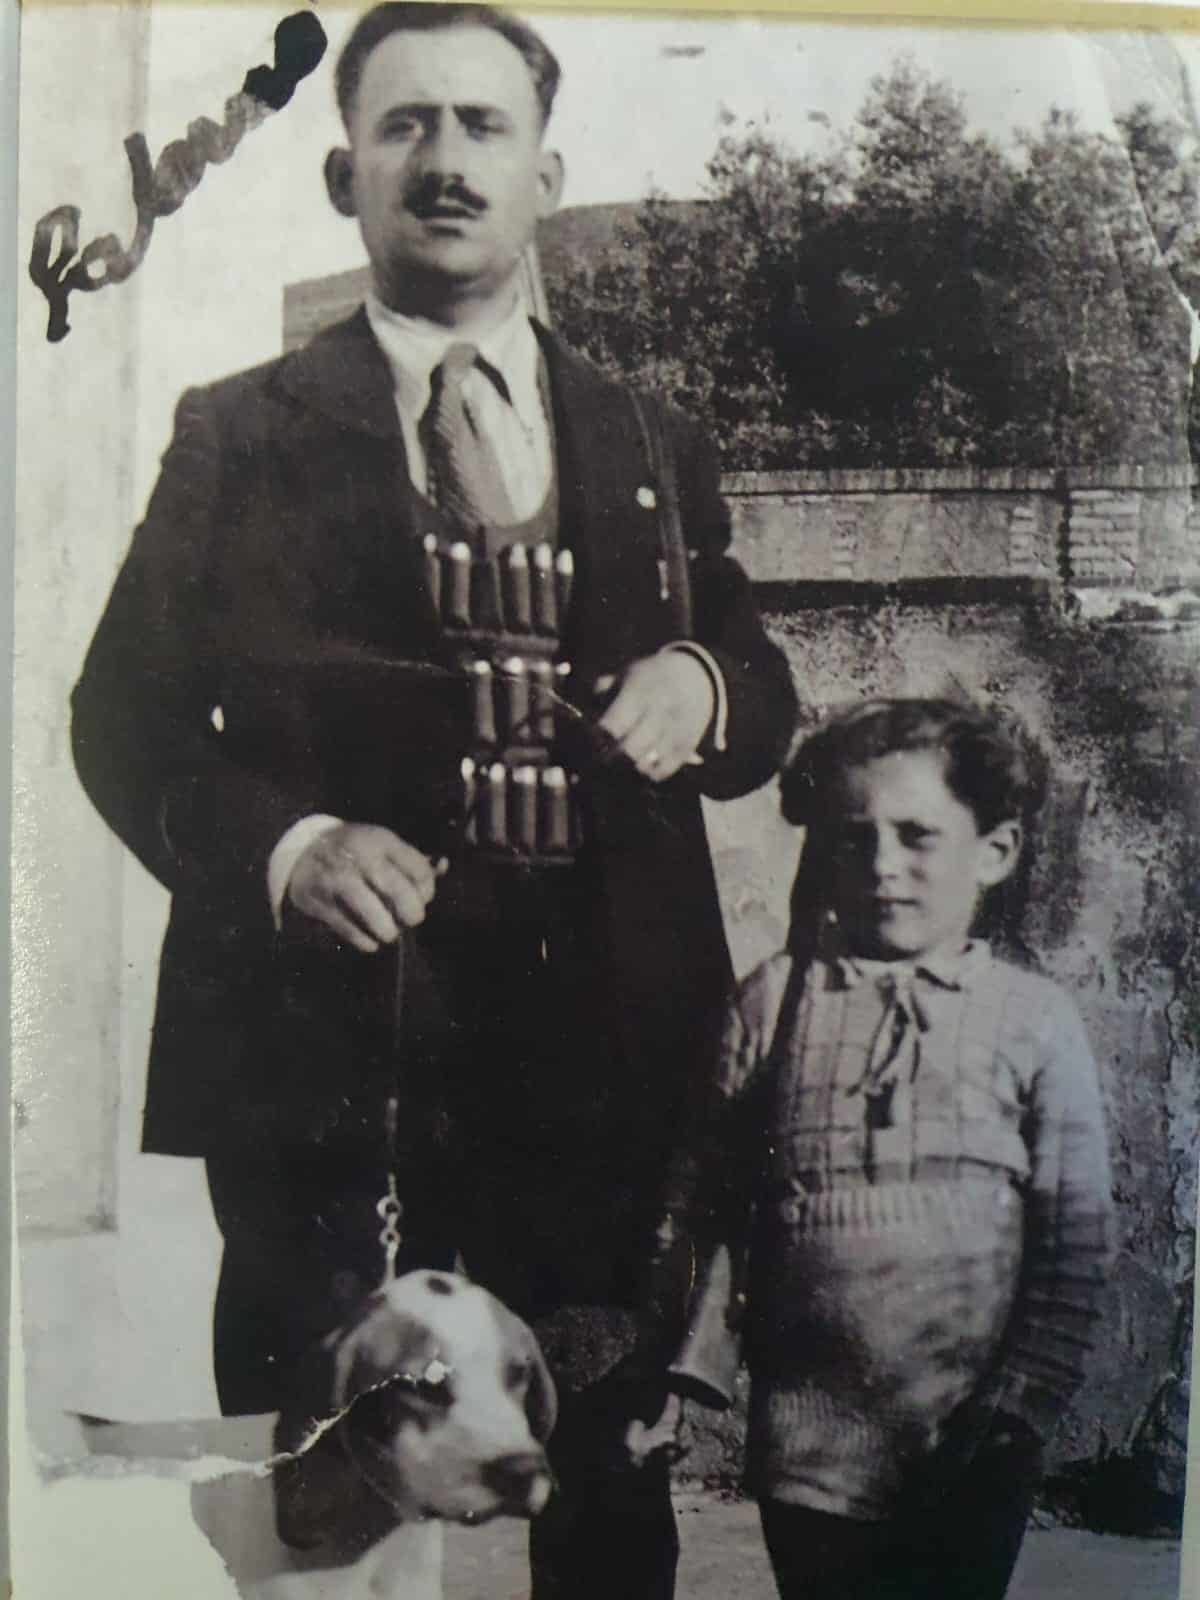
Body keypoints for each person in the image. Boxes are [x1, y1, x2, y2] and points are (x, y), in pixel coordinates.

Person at [69, 5, 797, 1596]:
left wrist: (704, 682)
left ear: (547, 174)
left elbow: (758, 683)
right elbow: (121, 718)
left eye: (483, 126)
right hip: (332, 1055)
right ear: (345, 176)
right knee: (325, 1495)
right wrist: (286, 846)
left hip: (604, 1059)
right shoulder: (237, 434)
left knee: (602, 1489)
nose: (446, 161)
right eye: (405, 126)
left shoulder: (650, 440)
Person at [670, 698, 1114, 1600]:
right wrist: (685, 1374)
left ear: (995, 850)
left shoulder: (1033, 1021)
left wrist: (1019, 1406)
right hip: (810, 1437)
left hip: (971, 1435)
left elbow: (1074, 1246)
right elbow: (710, 1209)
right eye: (853, 837)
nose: (882, 866)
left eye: (917, 837)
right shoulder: (775, 1003)